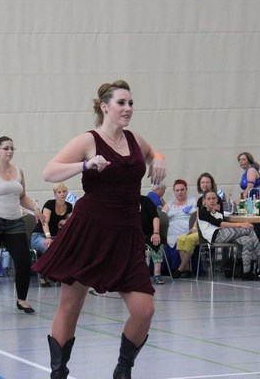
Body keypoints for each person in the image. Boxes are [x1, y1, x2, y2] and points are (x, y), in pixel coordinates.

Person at [32, 80, 166, 379]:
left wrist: (158, 158)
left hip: (127, 234)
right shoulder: (89, 140)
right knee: (71, 306)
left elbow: (153, 152)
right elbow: (49, 171)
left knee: (144, 309)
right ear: (105, 107)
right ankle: (58, 374)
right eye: (121, 103)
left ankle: (123, 370)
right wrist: (85, 165)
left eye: (131, 103)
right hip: (90, 231)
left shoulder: (134, 139)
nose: (128, 108)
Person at [0, 136, 45, 316]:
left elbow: (22, 197)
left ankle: (21, 299)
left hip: (15, 221)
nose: (9, 151)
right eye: (6, 148)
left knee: (23, 261)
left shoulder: (18, 171)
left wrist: (35, 209)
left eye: (12, 148)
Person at [198, 190, 260, 281]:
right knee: (248, 229)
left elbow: (225, 226)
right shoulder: (202, 212)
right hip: (215, 236)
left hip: (226, 235)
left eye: (213, 198)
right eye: (209, 199)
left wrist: (238, 227)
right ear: (204, 201)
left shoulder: (218, 213)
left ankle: (246, 272)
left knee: (247, 240)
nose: (211, 201)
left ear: (217, 200)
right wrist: (241, 224)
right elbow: (220, 224)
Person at [174, 173, 223, 278]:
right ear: (199, 185)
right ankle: (187, 269)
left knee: (190, 239)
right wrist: (194, 228)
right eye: (202, 182)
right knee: (181, 239)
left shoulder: (215, 198)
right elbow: (198, 217)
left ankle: (180, 268)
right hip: (202, 228)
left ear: (212, 184)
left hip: (211, 230)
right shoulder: (200, 199)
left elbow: (211, 216)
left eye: (207, 182)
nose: (205, 185)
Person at [30, 183, 73, 287]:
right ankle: (43, 275)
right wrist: (48, 236)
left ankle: (61, 274)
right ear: (55, 194)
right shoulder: (50, 204)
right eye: (59, 192)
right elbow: (44, 222)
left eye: (64, 192)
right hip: (39, 235)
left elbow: (68, 223)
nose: (62, 194)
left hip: (55, 236)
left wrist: (64, 222)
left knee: (68, 247)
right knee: (50, 246)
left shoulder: (69, 206)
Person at [162, 179, 197, 275]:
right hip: (172, 227)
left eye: (182, 189)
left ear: (186, 189)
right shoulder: (170, 203)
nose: (180, 192)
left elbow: (199, 214)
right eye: (177, 190)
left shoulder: (193, 200)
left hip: (187, 227)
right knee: (168, 239)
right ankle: (169, 269)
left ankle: (183, 268)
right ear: (174, 191)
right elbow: (162, 215)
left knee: (182, 239)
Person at [140, 195, 165, 285]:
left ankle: (157, 274)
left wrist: (156, 233)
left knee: (156, 241)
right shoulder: (123, 202)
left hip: (149, 233)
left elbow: (155, 217)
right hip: (132, 235)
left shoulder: (146, 200)